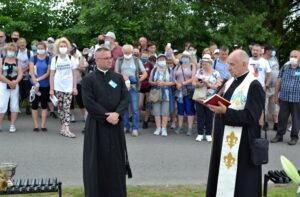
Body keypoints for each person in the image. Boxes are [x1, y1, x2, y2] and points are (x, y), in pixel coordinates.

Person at [206, 50, 265, 197]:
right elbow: (224, 104)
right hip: (223, 137)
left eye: (232, 64)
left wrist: (225, 112)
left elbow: (251, 117)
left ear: (244, 64)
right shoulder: (230, 81)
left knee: (241, 185)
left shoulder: (254, 85)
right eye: (228, 64)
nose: (229, 68)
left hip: (243, 143)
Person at [81, 47, 132, 197]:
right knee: (97, 162)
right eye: (106, 58)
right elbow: (88, 102)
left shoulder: (117, 78)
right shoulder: (88, 79)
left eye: (111, 57)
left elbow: (125, 98)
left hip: (115, 125)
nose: (110, 60)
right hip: (97, 126)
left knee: (116, 162)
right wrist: (105, 116)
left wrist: (117, 113)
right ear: (97, 60)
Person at [115, 44, 147, 137]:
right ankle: (125, 126)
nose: (127, 54)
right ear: (122, 52)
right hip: (123, 87)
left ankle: (135, 128)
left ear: (132, 52)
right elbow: (116, 72)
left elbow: (144, 73)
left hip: (133, 87)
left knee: (135, 109)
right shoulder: (119, 60)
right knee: (124, 108)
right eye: (125, 52)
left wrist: (138, 80)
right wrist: (123, 77)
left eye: (128, 52)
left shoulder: (137, 60)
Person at [49, 37, 78, 138]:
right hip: (58, 87)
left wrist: (75, 87)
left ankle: (67, 129)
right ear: (57, 47)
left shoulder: (71, 58)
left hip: (68, 87)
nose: (63, 47)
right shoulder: (55, 59)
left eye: (64, 46)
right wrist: (51, 89)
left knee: (66, 108)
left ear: (68, 47)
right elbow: (52, 75)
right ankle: (63, 128)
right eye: (61, 46)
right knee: (60, 108)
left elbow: (75, 74)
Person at [271, 50, 300, 145]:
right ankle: (279, 135)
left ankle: (294, 137)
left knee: (296, 119)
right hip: (284, 98)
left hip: (297, 99)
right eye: (292, 56)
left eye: (295, 56)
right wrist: (276, 96)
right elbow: (279, 81)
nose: (293, 58)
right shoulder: (285, 67)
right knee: (282, 117)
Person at [192, 54, 221, 142]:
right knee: (200, 115)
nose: (204, 65)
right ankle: (200, 134)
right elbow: (193, 83)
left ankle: (208, 134)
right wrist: (199, 84)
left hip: (211, 97)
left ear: (210, 63)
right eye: (203, 63)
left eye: (206, 63)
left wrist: (208, 83)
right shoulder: (199, 71)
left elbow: (218, 86)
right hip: (200, 96)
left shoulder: (216, 73)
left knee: (209, 116)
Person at [149, 54, 175, 136]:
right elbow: (150, 81)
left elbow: (173, 82)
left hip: (166, 92)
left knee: (165, 112)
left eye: (163, 59)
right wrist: (156, 83)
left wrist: (165, 83)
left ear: (166, 60)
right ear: (157, 61)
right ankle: (158, 128)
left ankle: (164, 129)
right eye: (160, 59)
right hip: (156, 92)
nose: (162, 61)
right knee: (157, 111)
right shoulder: (154, 70)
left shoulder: (170, 70)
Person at [0, 43, 23, 132]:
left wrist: (15, 82)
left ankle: (12, 125)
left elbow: (20, 74)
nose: (11, 52)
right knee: (2, 105)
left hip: (14, 85)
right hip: (3, 85)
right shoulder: (1, 61)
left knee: (14, 106)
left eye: (13, 50)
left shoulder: (18, 61)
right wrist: (9, 82)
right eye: (9, 50)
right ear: (6, 51)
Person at [28, 42, 51, 132]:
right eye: (39, 48)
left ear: (45, 49)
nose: (40, 50)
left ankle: (43, 125)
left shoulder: (48, 58)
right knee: (34, 105)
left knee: (44, 105)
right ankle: (36, 125)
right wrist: (35, 81)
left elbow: (48, 73)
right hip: (34, 86)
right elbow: (31, 71)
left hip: (45, 85)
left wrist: (38, 80)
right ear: (37, 49)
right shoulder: (33, 58)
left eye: (42, 48)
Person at [174, 51, 196, 136]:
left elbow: (193, 77)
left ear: (189, 58)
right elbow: (173, 76)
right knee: (180, 109)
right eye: (183, 57)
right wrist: (176, 83)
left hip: (188, 90)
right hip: (179, 91)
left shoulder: (192, 66)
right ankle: (180, 127)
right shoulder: (178, 66)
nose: (185, 58)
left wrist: (182, 83)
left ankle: (190, 128)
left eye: (187, 57)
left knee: (189, 109)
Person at [262, 44, 279, 131]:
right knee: (264, 107)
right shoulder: (262, 60)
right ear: (267, 51)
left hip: (274, 87)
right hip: (265, 87)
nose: (273, 52)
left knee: (275, 107)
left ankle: (276, 123)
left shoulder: (274, 59)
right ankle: (265, 123)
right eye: (272, 50)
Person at [17, 38, 34, 115]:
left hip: (27, 75)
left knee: (28, 92)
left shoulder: (30, 52)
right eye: (20, 43)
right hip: (17, 76)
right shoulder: (16, 52)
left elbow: (31, 64)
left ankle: (28, 107)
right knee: (18, 91)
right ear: (18, 44)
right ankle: (17, 107)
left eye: (23, 42)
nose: (22, 44)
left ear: (26, 43)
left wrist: (23, 71)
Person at [139, 53, 155, 129]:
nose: (144, 58)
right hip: (140, 86)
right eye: (143, 57)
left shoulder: (150, 65)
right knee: (140, 104)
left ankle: (146, 120)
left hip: (149, 86)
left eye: (146, 57)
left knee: (148, 104)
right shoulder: (138, 63)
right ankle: (137, 118)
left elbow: (153, 73)